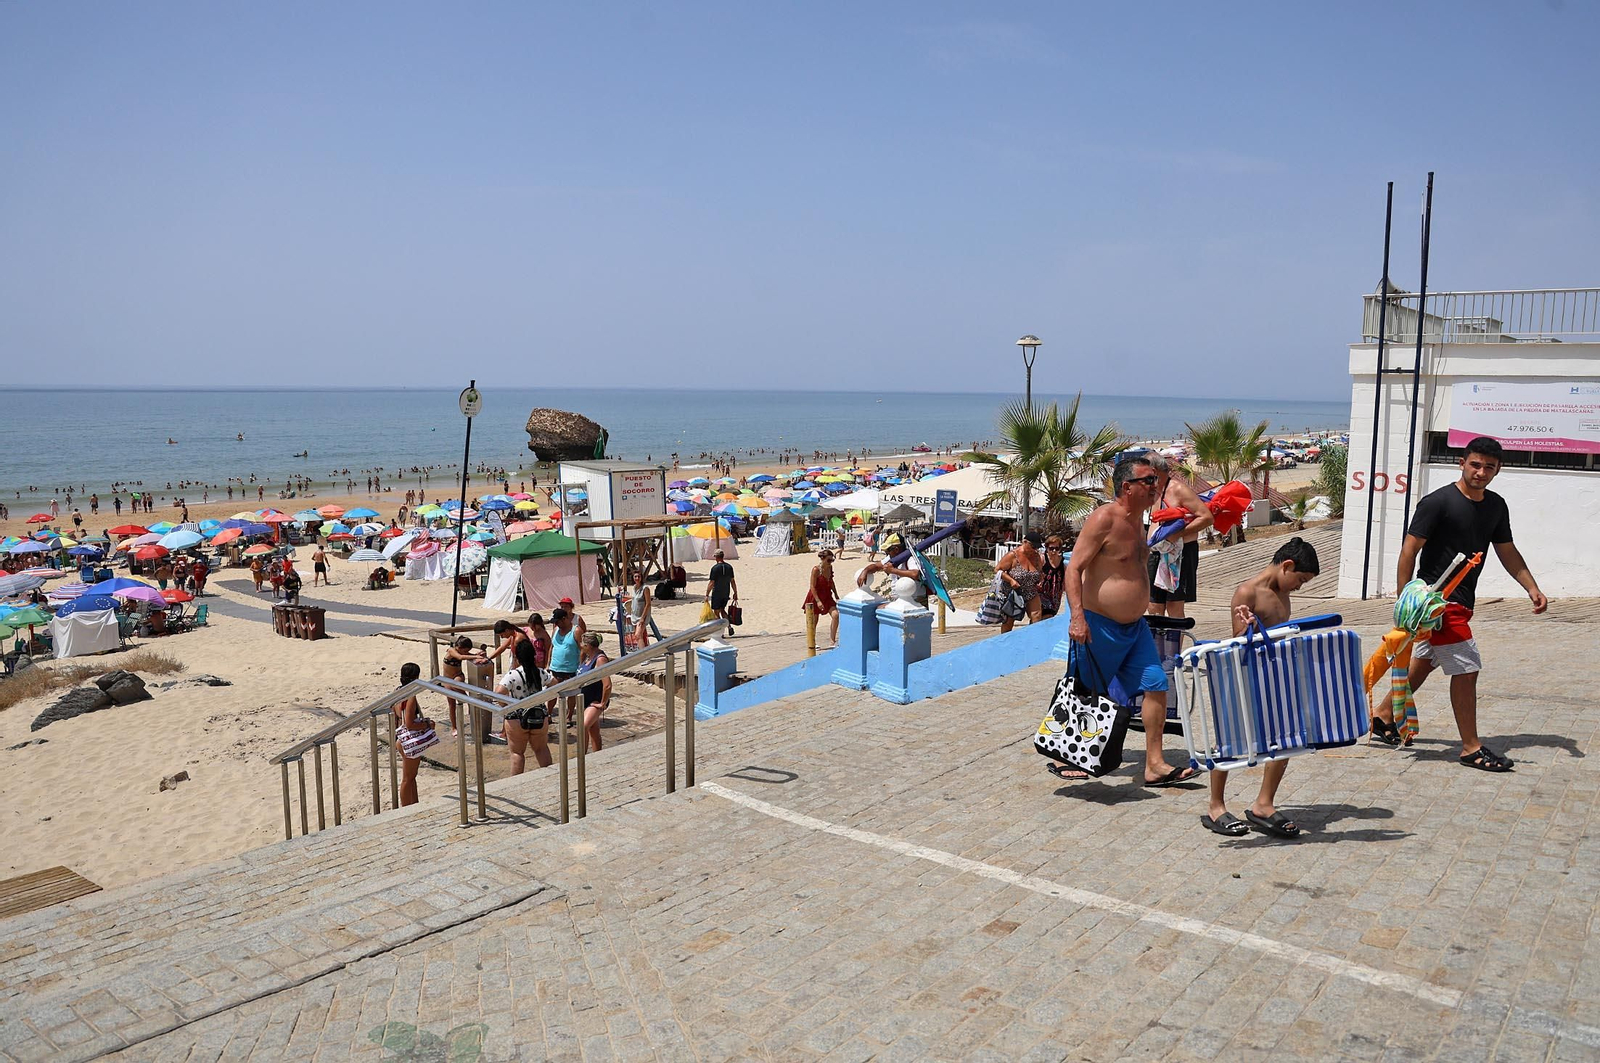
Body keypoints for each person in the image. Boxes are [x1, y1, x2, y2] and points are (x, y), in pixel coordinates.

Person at [1377, 436, 1546, 771]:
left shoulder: (1496, 506)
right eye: (1475, 464)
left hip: (1462, 600)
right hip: (1438, 604)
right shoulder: (1437, 502)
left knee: (1424, 663)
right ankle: (1470, 747)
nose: (1481, 472)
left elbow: (1506, 550)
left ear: (1498, 470)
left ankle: (1383, 717)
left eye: (1489, 467)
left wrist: (1531, 587)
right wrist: (1405, 600)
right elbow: (1409, 550)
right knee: (1467, 668)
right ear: (1462, 463)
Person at [1053, 454, 1200, 787]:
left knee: (1156, 685)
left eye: (1155, 480)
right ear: (1126, 486)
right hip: (1098, 624)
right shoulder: (1104, 518)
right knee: (1086, 692)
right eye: (1147, 480)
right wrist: (1077, 616)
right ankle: (1074, 756)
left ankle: (1154, 764)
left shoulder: (1141, 519)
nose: (1155, 485)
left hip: (1136, 627)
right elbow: (1073, 568)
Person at [1201, 537, 1321, 839]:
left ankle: (1263, 804)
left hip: (1276, 674)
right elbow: (1236, 641)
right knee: (1229, 738)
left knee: (1288, 737)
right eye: (1300, 580)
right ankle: (1216, 805)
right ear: (1287, 565)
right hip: (1246, 675)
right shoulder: (1248, 591)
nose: (1300, 587)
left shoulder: (1282, 592)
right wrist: (1250, 625)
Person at [1145, 452, 1213, 621]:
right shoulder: (1153, 491)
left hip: (1179, 554)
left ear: (1153, 470)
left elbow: (1206, 517)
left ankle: (1174, 647)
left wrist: (1179, 534)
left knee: (1174, 607)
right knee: (1153, 606)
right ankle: (1158, 647)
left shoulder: (1178, 489)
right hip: (1156, 552)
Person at [493, 624, 550, 774]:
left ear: (517, 656)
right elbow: (555, 684)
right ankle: (552, 777)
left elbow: (499, 692)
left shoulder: (513, 675)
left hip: (517, 718)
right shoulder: (540, 672)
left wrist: (506, 706)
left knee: (517, 754)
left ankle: (516, 785)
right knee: (541, 748)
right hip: (539, 714)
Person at [393, 663, 437, 807]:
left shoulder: (397, 692)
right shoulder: (410, 696)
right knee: (408, 778)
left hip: (400, 738)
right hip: (409, 739)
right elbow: (410, 723)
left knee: (411, 777)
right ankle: (406, 808)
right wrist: (427, 725)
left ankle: (414, 805)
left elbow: (398, 718)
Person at [995, 532, 1046, 633]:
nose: (1034, 549)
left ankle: (1032, 641)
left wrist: (1041, 579)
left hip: (1030, 591)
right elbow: (997, 570)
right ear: (1025, 542)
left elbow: (1040, 572)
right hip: (1013, 592)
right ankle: (1005, 643)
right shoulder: (1013, 555)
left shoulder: (1037, 557)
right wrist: (1011, 580)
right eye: (1032, 546)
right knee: (1009, 621)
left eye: (1036, 547)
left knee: (1036, 616)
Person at [547, 607, 587, 732]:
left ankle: (569, 716)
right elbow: (552, 647)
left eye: (557, 621)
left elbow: (583, 649)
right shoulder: (555, 630)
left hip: (571, 669)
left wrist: (580, 666)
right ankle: (548, 714)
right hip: (555, 668)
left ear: (564, 619)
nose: (556, 624)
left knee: (571, 694)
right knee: (552, 692)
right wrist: (548, 663)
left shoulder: (576, 630)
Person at [577, 632, 612, 753]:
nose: (580, 645)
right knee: (594, 731)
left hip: (594, 700)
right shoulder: (588, 657)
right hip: (585, 699)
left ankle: (582, 758)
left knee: (583, 727)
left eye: (582, 643)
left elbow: (607, 684)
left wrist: (603, 703)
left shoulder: (600, 659)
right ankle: (598, 756)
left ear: (588, 645)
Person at [804, 549, 841, 645]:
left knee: (836, 615)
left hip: (827, 595)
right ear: (822, 559)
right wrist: (818, 601)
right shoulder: (816, 570)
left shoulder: (830, 568)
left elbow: (831, 581)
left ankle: (832, 641)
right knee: (814, 620)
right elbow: (812, 586)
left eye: (832, 560)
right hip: (816, 596)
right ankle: (812, 642)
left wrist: (836, 594)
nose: (830, 562)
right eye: (829, 560)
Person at [706, 550, 738, 637]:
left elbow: (712, 583)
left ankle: (721, 631)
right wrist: (735, 592)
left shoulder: (715, 568)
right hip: (726, 592)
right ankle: (729, 626)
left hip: (717, 593)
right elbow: (732, 581)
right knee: (722, 610)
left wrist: (707, 594)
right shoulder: (729, 567)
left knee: (716, 612)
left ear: (716, 557)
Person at [1039, 533, 1068, 618]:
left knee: (1048, 617)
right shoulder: (1042, 559)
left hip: (1055, 596)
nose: (1054, 551)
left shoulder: (1063, 562)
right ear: (1047, 548)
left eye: (1057, 548)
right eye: (1051, 548)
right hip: (1041, 594)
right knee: (1045, 616)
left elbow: (1065, 579)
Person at [625, 570, 653, 649]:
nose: (637, 578)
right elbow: (634, 598)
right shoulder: (634, 587)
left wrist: (642, 618)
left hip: (642, 616)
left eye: (638, 576)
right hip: (634, 615)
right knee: (640, 635)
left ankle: (643, 656)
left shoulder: (645, 588)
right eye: (635, 576)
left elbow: (648, 604)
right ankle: (645, 650)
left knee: (638, 635)